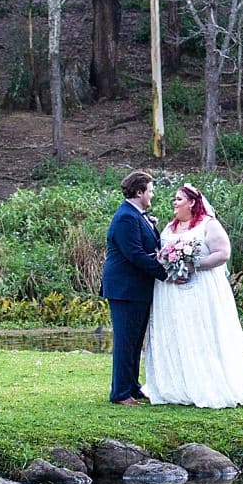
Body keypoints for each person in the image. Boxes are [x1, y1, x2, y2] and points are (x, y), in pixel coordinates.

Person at [142, 183, 243, 408]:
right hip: (171, 291)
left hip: (201, 289)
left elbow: (223, 253)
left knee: (202, 331)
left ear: (192, 202)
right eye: (174, 199)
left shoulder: (208, 225)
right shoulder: (169, 227)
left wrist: (194, 264)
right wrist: (168, 263)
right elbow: (161, 253)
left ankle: (209, 383)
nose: (174, 203)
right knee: (177, 333)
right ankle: (175, 384)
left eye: (179, 199)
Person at [101, 170, 168, 406]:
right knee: (125, 341)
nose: (152, 195)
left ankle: (132, 386)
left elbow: (147, 248)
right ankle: (120, 393)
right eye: (150, 191)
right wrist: (165, 273)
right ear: (139, 192)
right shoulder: (126, 218)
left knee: (135, 340)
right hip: (125, 289)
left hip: (136, 289)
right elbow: (135, 254)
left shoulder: (137, 215)